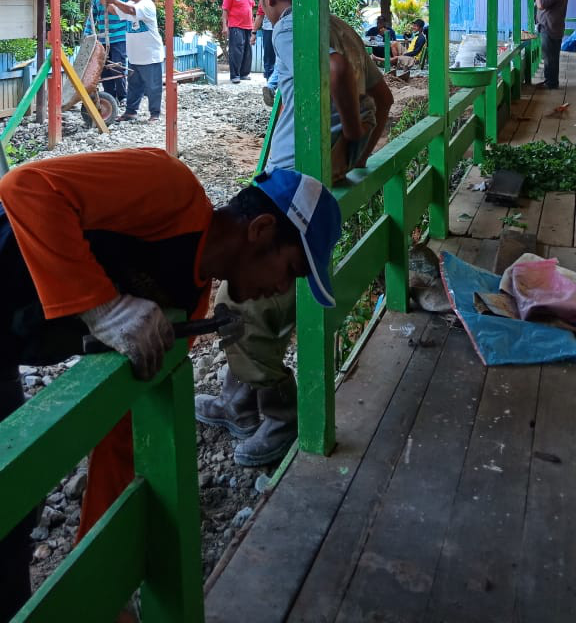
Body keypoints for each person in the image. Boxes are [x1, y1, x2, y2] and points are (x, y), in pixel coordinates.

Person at [0, 147, 341, 621]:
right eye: (290, 272)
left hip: (8, 343)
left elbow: (124, 434)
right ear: (260, 231)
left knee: (13, 514)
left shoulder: (188, 304)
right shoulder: (169, 189)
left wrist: (103, 583)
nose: (282, 291)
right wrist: (103, 306)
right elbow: (25, 187)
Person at [196, 0, 393, 467]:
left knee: (242, 299)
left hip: (292, 182)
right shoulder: (341, 26)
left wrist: (349, 133)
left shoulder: (289, 27)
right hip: (316, 178)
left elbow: (334, 71)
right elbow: (385, 96)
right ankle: (239, 399)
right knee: (262, 289)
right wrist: (356, 153)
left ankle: (281, 417)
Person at [106, 0, 165, 122]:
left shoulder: (146, 5)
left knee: (153, 87)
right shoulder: (130, 5)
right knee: (134, 86)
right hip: (135, 55)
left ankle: (155, 114)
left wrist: (115, 0)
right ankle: (131, 112)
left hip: (150, 55)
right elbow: (113, 10)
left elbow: (131, 10)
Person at [85, 0, 129, 104]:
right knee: (103, 69)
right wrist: (88, 33)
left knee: (117, 66)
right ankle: (110, 97)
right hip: (103, 38)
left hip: (119, 37)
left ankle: (123, 96)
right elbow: (93, 15)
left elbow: (126, 13)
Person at [534, 0, 569, 89]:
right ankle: (551, 81)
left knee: (550, 57)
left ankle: (551, 83)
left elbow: (541, 5)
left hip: (550, 28)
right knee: (552, 57)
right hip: (554, 27)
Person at [222, 0, 254, 84]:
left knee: (247, 50)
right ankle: (235, 75)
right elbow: (225, 10)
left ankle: (244, 73)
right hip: (236, 25)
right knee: (236, 50)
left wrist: (253, 25)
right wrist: (224, 26)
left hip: (248, 25)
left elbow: (250, 7)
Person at [252, 1, 276, 89]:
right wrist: (254, 32)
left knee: (269, 58)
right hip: (273, 29)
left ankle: (270, 85)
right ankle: (271, 85)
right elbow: (260, 15)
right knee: (272, 58)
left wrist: (254, 33)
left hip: (270, 30)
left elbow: (260, 15)